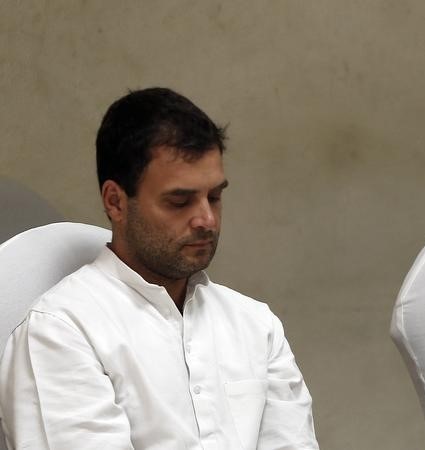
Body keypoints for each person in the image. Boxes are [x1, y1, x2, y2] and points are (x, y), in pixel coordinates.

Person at [0, 87, 319, 449]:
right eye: (180, 201)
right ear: (116, 202)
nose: (207, 219)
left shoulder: (256, 325)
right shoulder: (62, 331)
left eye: (214, 196)